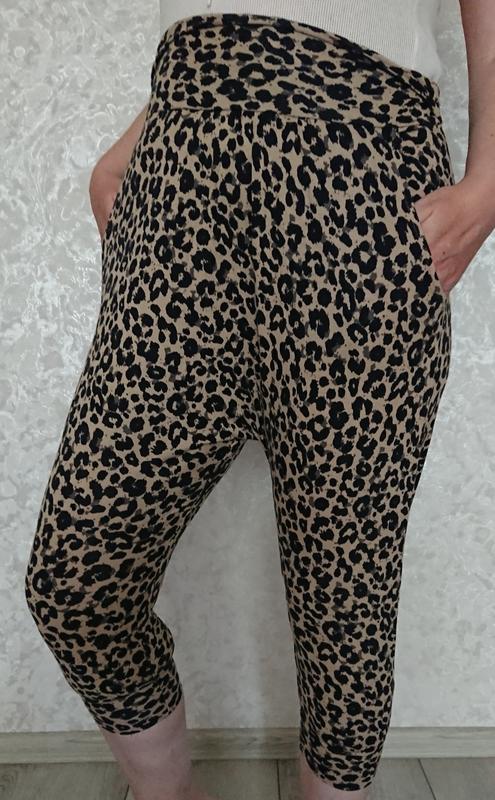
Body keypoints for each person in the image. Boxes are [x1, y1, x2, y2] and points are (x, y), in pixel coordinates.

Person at [23, 3, 494, 800]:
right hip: (176, 195)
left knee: (343, 607)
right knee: (77, 578)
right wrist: (133, 145)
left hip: (356, 179)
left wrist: (486, 184)